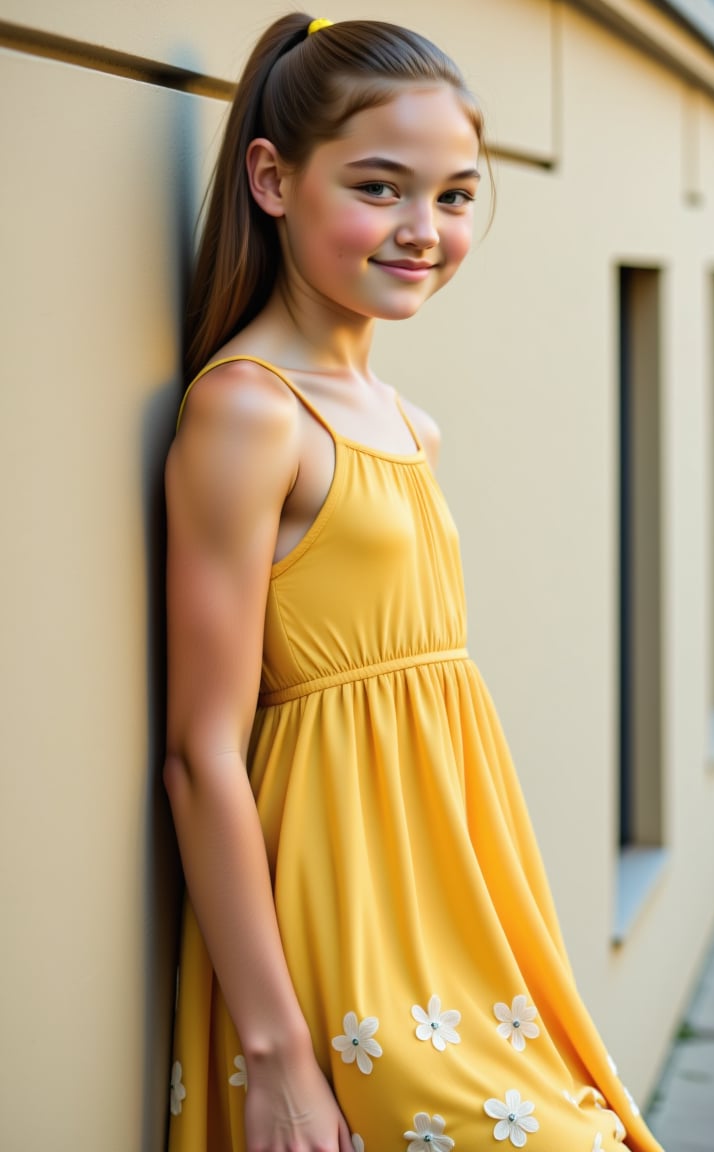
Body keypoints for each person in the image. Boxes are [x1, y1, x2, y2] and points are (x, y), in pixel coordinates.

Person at [164, 13, 665, 1152]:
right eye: (382, 188)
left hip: (451, 911)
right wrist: (281, 1056)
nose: (424, 230)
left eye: (454, 196)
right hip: (339, 928)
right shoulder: (248, 413)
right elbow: (202, 756)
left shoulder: (409, 425)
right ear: (272, 178)